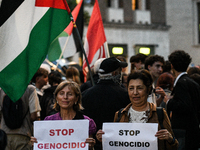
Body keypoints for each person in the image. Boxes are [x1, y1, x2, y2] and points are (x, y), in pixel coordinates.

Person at [96, 70, 178, 150]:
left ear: (148, 89)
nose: (135, 92)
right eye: (131, 88)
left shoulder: (159, 114)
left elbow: (174, 146)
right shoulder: (120, 114)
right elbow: (114, 145)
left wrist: (170, 139)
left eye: (139, 88)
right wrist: (104, 139)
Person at [31, 80, 97, 150]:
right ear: (56, 98)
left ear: (76, 99)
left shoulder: (86, 122)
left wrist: (90, 146)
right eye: (61, 93)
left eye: (70, 94)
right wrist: (36, 143)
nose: (65, 97)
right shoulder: (49, 121)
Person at [81, 57, 130, 150]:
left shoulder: (85, 95)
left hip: (92, 144)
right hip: (117, 144)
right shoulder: (125, 95)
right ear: (115, 73)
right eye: (120, 71)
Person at [167, 50, 200, 150]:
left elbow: (184, 105)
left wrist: (168, 101)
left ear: (172, 66)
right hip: (193, 130)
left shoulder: (181, 83)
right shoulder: (192, 82)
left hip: (183, 130)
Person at [0, 85, 41, 150]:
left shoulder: (2, 89)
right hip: (23, 135)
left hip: (4, 135)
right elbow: (33, 116)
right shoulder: (30, 89)